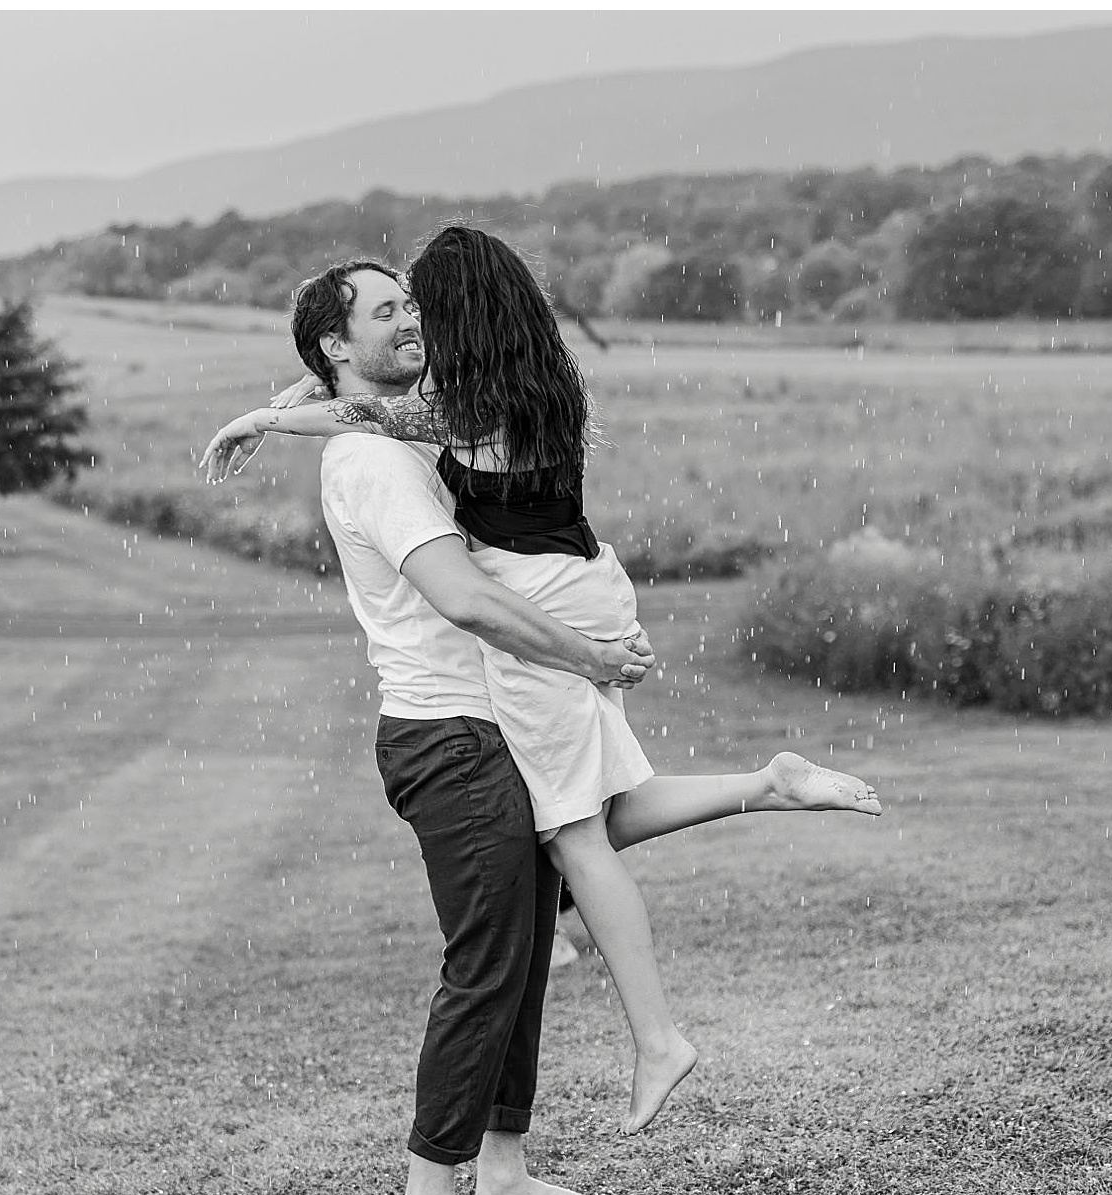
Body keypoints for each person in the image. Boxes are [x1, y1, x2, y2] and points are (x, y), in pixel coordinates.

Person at [201, 236, 881, 1149]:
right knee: (589, 811)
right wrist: (287, 400)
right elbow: (351, 401)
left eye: (419, 305)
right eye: (393, 308)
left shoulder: (449, 412)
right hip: (580, 574)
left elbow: (358, 419)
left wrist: (264, 420)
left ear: (456, 316)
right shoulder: (537, 380)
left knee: (571, 833)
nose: (412, 319)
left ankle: (658, 1037)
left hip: (540, 601)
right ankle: (769, 784)